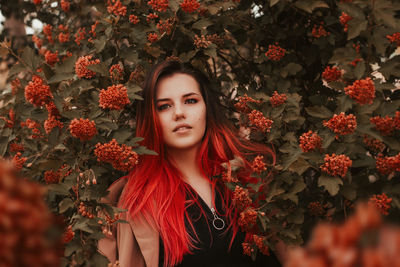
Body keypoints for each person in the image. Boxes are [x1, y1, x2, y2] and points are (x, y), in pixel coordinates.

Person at [98, 60, 283, 267]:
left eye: (190, 101)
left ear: (206, 108)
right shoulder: (135, 202)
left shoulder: (249, 175)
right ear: (152, 118)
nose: (179, 113)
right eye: (164, 106)